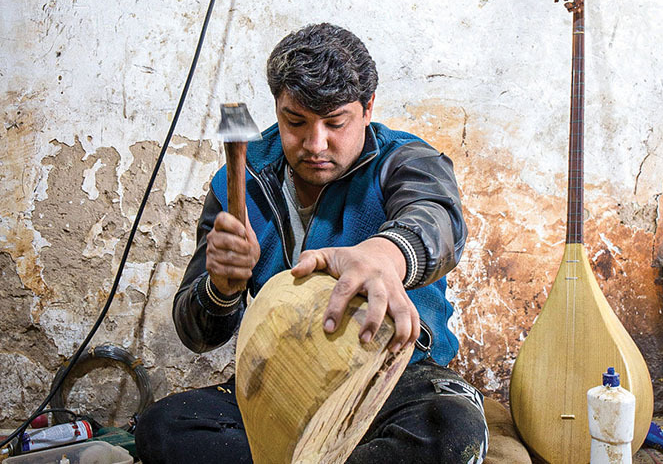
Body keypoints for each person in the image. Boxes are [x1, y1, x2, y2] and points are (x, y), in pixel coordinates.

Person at [135, 23, 488, 463]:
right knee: (165, 427)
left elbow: (438, 218)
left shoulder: (406, 160)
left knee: (451, 429)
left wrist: (386, 253)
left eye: (335, 122)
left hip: (395, 378)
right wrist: (221, 289)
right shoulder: (240, 182)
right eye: (296, 122)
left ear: (367, 109)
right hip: (283, 384)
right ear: (277, 109)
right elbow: (196, 334)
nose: (315, 144)